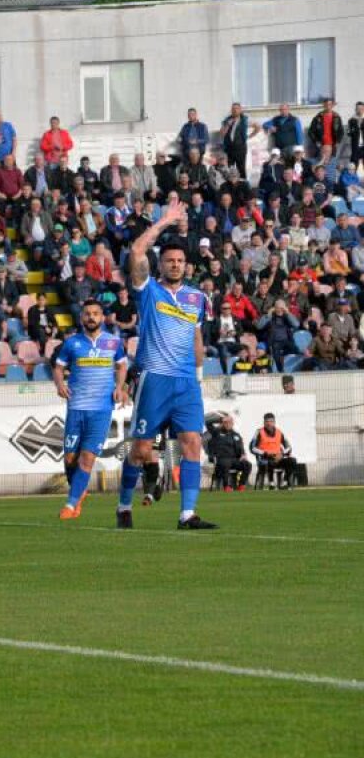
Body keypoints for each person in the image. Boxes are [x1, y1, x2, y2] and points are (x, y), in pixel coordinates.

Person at [116, 202, 218, 530]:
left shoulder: (197, 299)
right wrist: (164, 221)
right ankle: (123, 505)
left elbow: (197, 337)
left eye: (179, 261)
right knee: (141, 450)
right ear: (161, 263)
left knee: (192, 441)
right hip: (155, 378)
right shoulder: (149, 290)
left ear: (186, 265)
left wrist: (200, 375)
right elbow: (136, 249)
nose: (175, 264)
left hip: (187, 382)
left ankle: (187, 514)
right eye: (170, 260)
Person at [54, 300, 129, 520]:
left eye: (95, 313)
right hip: (76, 408)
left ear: (102, 318)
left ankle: (70, 504)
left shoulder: (113, 343)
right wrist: (60, 384)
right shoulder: (72, 343)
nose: (91, 317)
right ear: (81, 318)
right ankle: (79, 490)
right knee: (70, 459)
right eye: (87, 314)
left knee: (87, 458)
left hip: (101, 409)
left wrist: (120, 387)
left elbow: (122, 365)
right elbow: (58, 368)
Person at [250, 413, 296, 489]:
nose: (269, 423)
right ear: (264, 422)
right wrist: (265, 453)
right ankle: (271, 483)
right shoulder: (259, 432)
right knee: (270, 461)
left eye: (271, 421)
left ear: (274, 422)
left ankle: (284, 483)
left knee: (292, 461)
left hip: (278, 457)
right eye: (267, 421)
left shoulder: (279, 432)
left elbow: (289, 447)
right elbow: (252, 448)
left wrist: (281, 454)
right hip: (265, 458)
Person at [207, 414, 251, 491]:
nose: (227, 424)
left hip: (234, 459)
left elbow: (241, 448)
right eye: (225, 422)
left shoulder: (236, 435)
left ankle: (241, 485)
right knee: (226, 464)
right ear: (222, 423)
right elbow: (208, 422)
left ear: (232, 424)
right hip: (221, 459)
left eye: (229, 422)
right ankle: (226, 486)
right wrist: (220, 418)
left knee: (247, 464)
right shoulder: (216, 432)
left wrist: (243, 455)